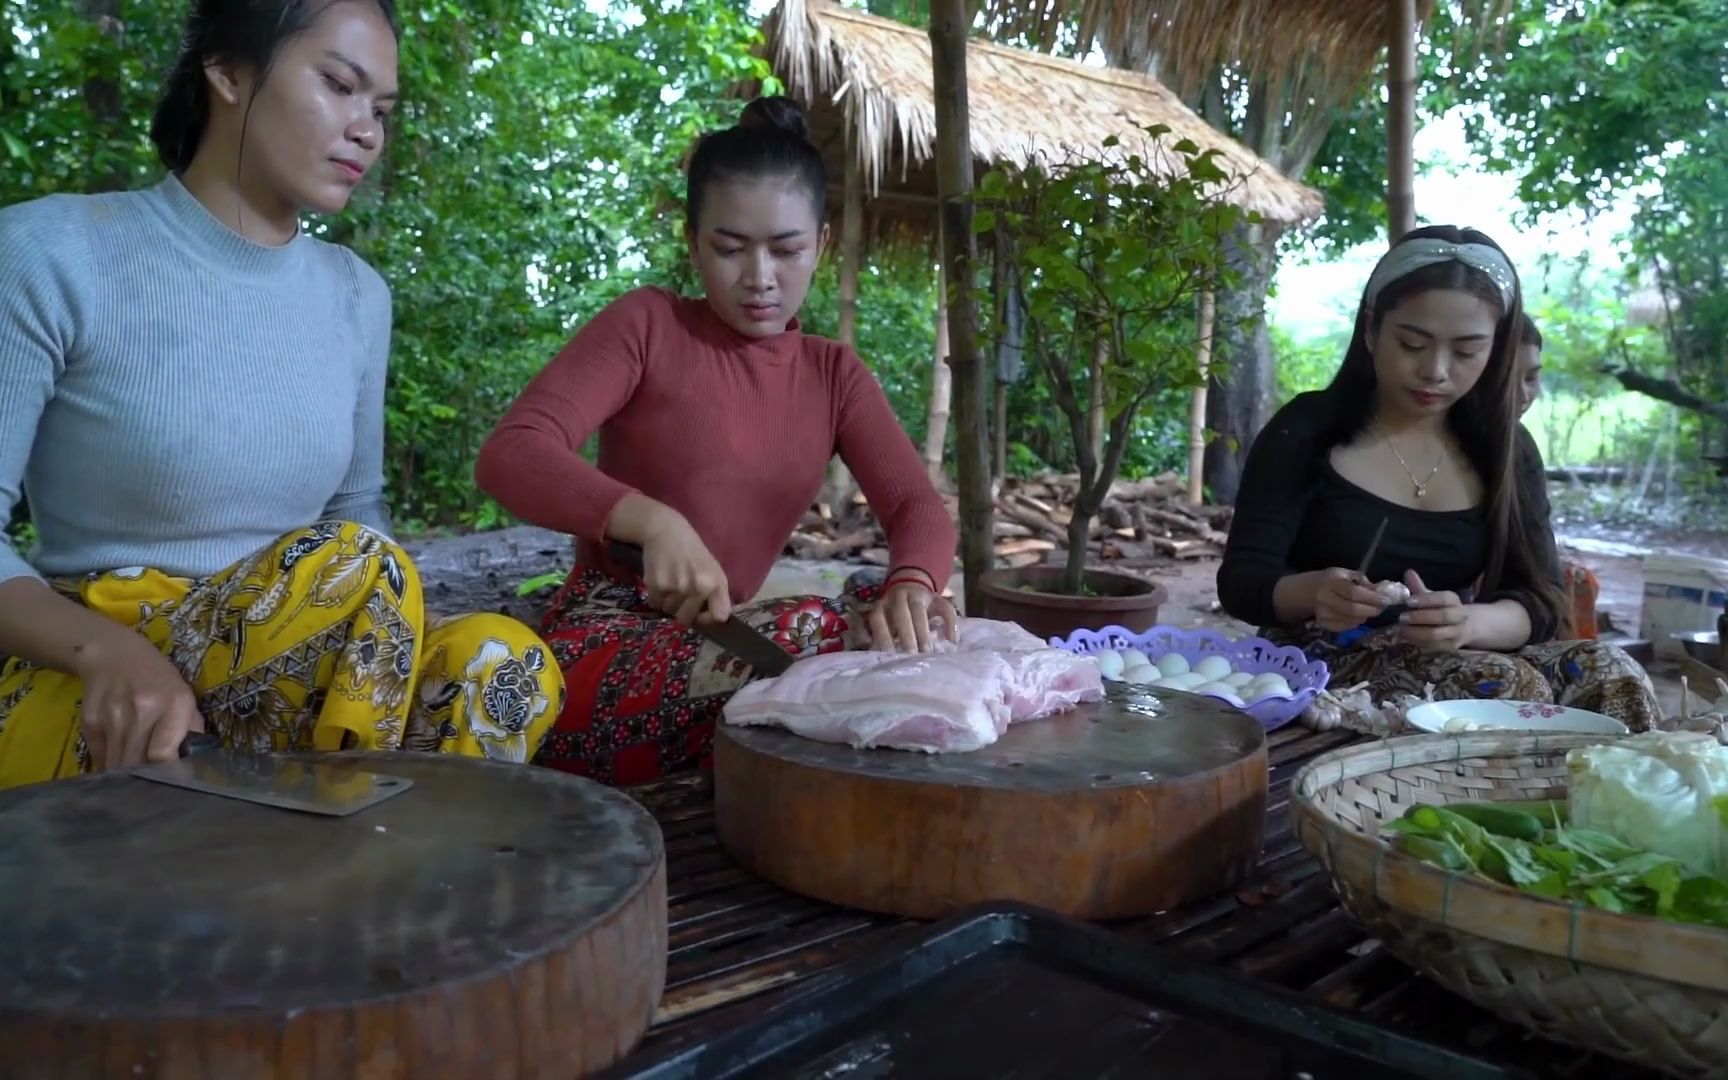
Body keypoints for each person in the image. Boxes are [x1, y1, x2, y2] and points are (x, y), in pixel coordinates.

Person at [0, 0, 564, 787]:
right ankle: (351, 855)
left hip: (306, 691)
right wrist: (110, 654)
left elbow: (357, 512)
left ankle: (355, 850)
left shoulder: (357, 296)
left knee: (504, 662)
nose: (368, 129)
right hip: (107, 693)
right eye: (339, 85)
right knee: (357, 567)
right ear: (228, 70)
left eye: (382, 109)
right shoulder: (51, 252)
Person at [476, 96, 959, 786]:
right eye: (730, 249)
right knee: (816, 631)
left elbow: (916, 505)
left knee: (892, 617)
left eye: (786, 250)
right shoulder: (648, 327)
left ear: (820, 244)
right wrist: (648, 520)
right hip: (598, 648)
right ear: (692, 239)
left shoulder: (833, 374)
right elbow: (512, 452)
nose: (759, 278)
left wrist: (913, 584)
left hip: (724, 638)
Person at [1217, 226, 1658, 730]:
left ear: (1496, 349)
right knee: (1505, 685)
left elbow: (1538, 599)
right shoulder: (1307, 429)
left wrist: (1467, 622)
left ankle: (1620, 801)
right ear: (1370, 331)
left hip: (1458, 651)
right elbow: (1242, 582)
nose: (1435, 371)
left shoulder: (1507, 451)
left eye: (1467, 351)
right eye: (1412, 343)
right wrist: (1314, 592)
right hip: (1315, 658)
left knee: (1613, 672)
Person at [1516, 313, 1601, 640]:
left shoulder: (1519, 448)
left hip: (1494, 623)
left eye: (1531, 378)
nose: (1523, 395)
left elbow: (1542, 586)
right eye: (1508, 378)